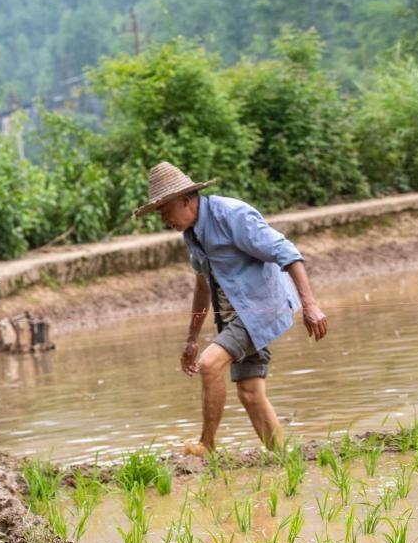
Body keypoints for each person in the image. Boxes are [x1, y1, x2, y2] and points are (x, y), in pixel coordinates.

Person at [134, 162, 328, 455]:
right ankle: (284, 461)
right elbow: (202, 287)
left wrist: (310, 306)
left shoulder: (231, 215)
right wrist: (191, 339)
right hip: (234, 316)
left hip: (261, 309)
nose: (163, 219)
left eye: (164, 211)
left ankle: (206, 445)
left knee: (210, 365)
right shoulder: (192, 235)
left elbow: (287, 252)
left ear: (186, 201)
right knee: (250, 392)